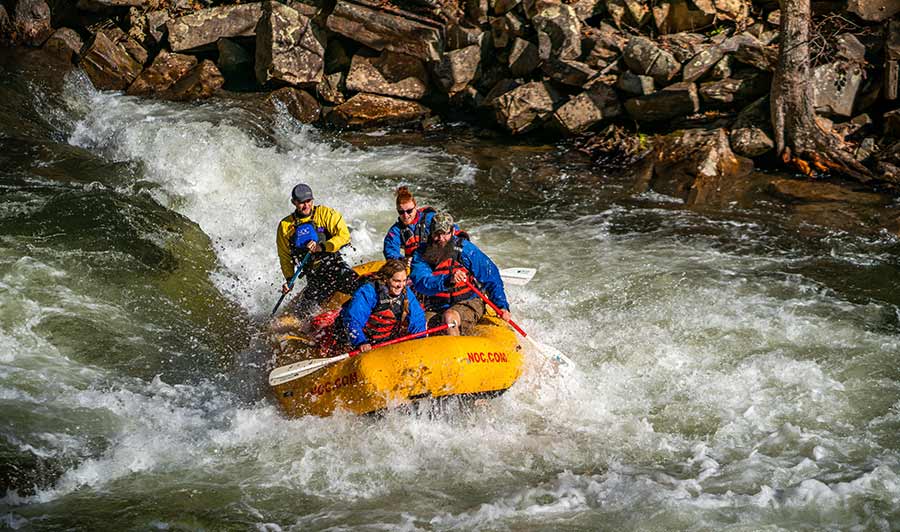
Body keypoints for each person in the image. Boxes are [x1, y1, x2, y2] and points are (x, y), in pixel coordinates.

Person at [410, 211, 510, 336]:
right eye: (437, 234)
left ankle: (456, 352)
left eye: (445, 234)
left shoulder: (466, 250)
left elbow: (491, 276)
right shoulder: (422, 254)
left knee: (449, 318)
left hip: (467, 302)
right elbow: (421, 282)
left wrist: (502, 306)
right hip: (436, 307)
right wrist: (447, 279)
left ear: (452, 232)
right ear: (431, 233)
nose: (441, 239)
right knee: (418, 328)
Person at [276, 183, 359, 318]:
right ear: (294, 203)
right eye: (301, 203)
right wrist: (289, 279)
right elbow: (285, 256)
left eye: (308, 201)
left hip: (335, 268)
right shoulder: (285, 226)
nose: (306, 206)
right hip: (314, 277)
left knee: (360, 288)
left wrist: (323, 246)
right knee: (301, 315)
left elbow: (344, 236)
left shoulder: (326, 214)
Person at [340, 259, 426, 352]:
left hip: (382, 340)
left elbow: (418, 319)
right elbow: (353, 319)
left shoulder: (406, 293)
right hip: (353, 338)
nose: (400, 285)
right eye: (396, 281)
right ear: (386, 279)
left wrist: (420, 339)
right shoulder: (369, 291)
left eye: (404, 281)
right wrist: (360, 342)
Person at [383, 186, 457, 262]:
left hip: (437, 259)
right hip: (413, 264)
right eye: (401, 212)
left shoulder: (430, 219)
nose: (405, 215)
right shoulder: (396, 230)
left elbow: (452, 230)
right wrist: (403, 260)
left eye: (409, 211)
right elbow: (390, 251)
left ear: (415, 207)